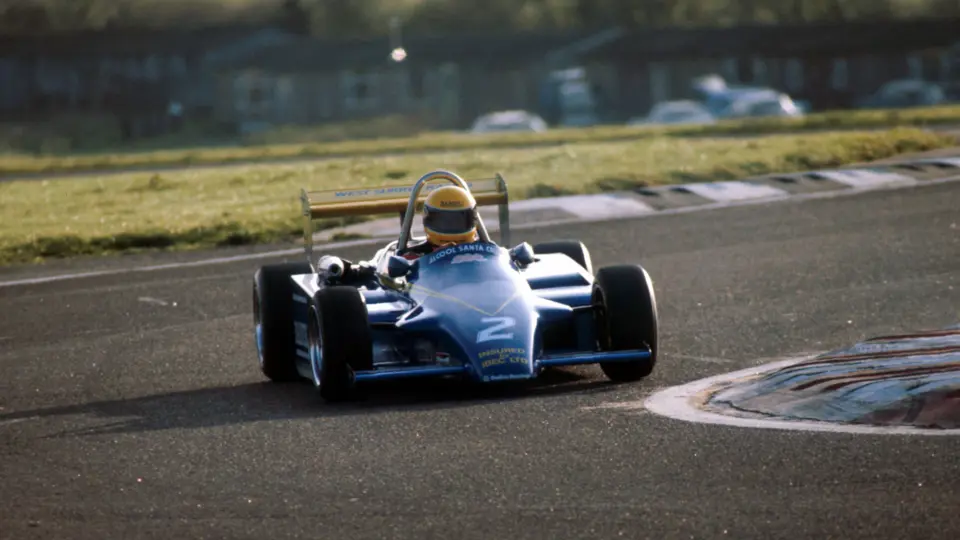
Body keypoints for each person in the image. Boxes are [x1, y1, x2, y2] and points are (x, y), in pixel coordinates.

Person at [401, 185, 479, 260]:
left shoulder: (483, 249)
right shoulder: (414, 256)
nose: (451, 225)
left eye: (458, 221)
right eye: (446, 221)